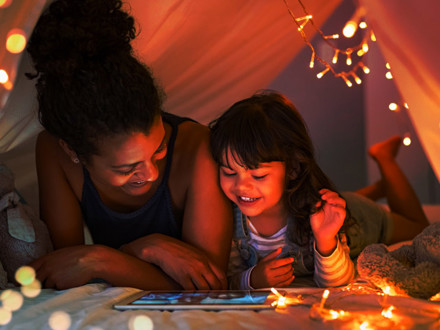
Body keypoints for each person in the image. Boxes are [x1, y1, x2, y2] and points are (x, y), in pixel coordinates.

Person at [25, 0, 232, 290]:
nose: (151, 173)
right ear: (73, 151)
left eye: (159, 150)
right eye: (127, 168)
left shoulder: (197, 149)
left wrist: (107, 258)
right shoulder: (53, 152)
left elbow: (208, 287)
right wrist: (138, 254)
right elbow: (65, 269)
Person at [209, 91, 429, 290]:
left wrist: (326, 241)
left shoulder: (317, 216)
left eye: (258, 176)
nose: (240, 186)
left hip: (356, 219)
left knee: (418, 227)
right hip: (325, 202)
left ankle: (385, 158)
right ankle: (378, 189)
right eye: (229, 172)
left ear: (293, 169)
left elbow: (338, 281)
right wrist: (251, 280)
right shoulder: (226, 218)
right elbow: (227, 279)